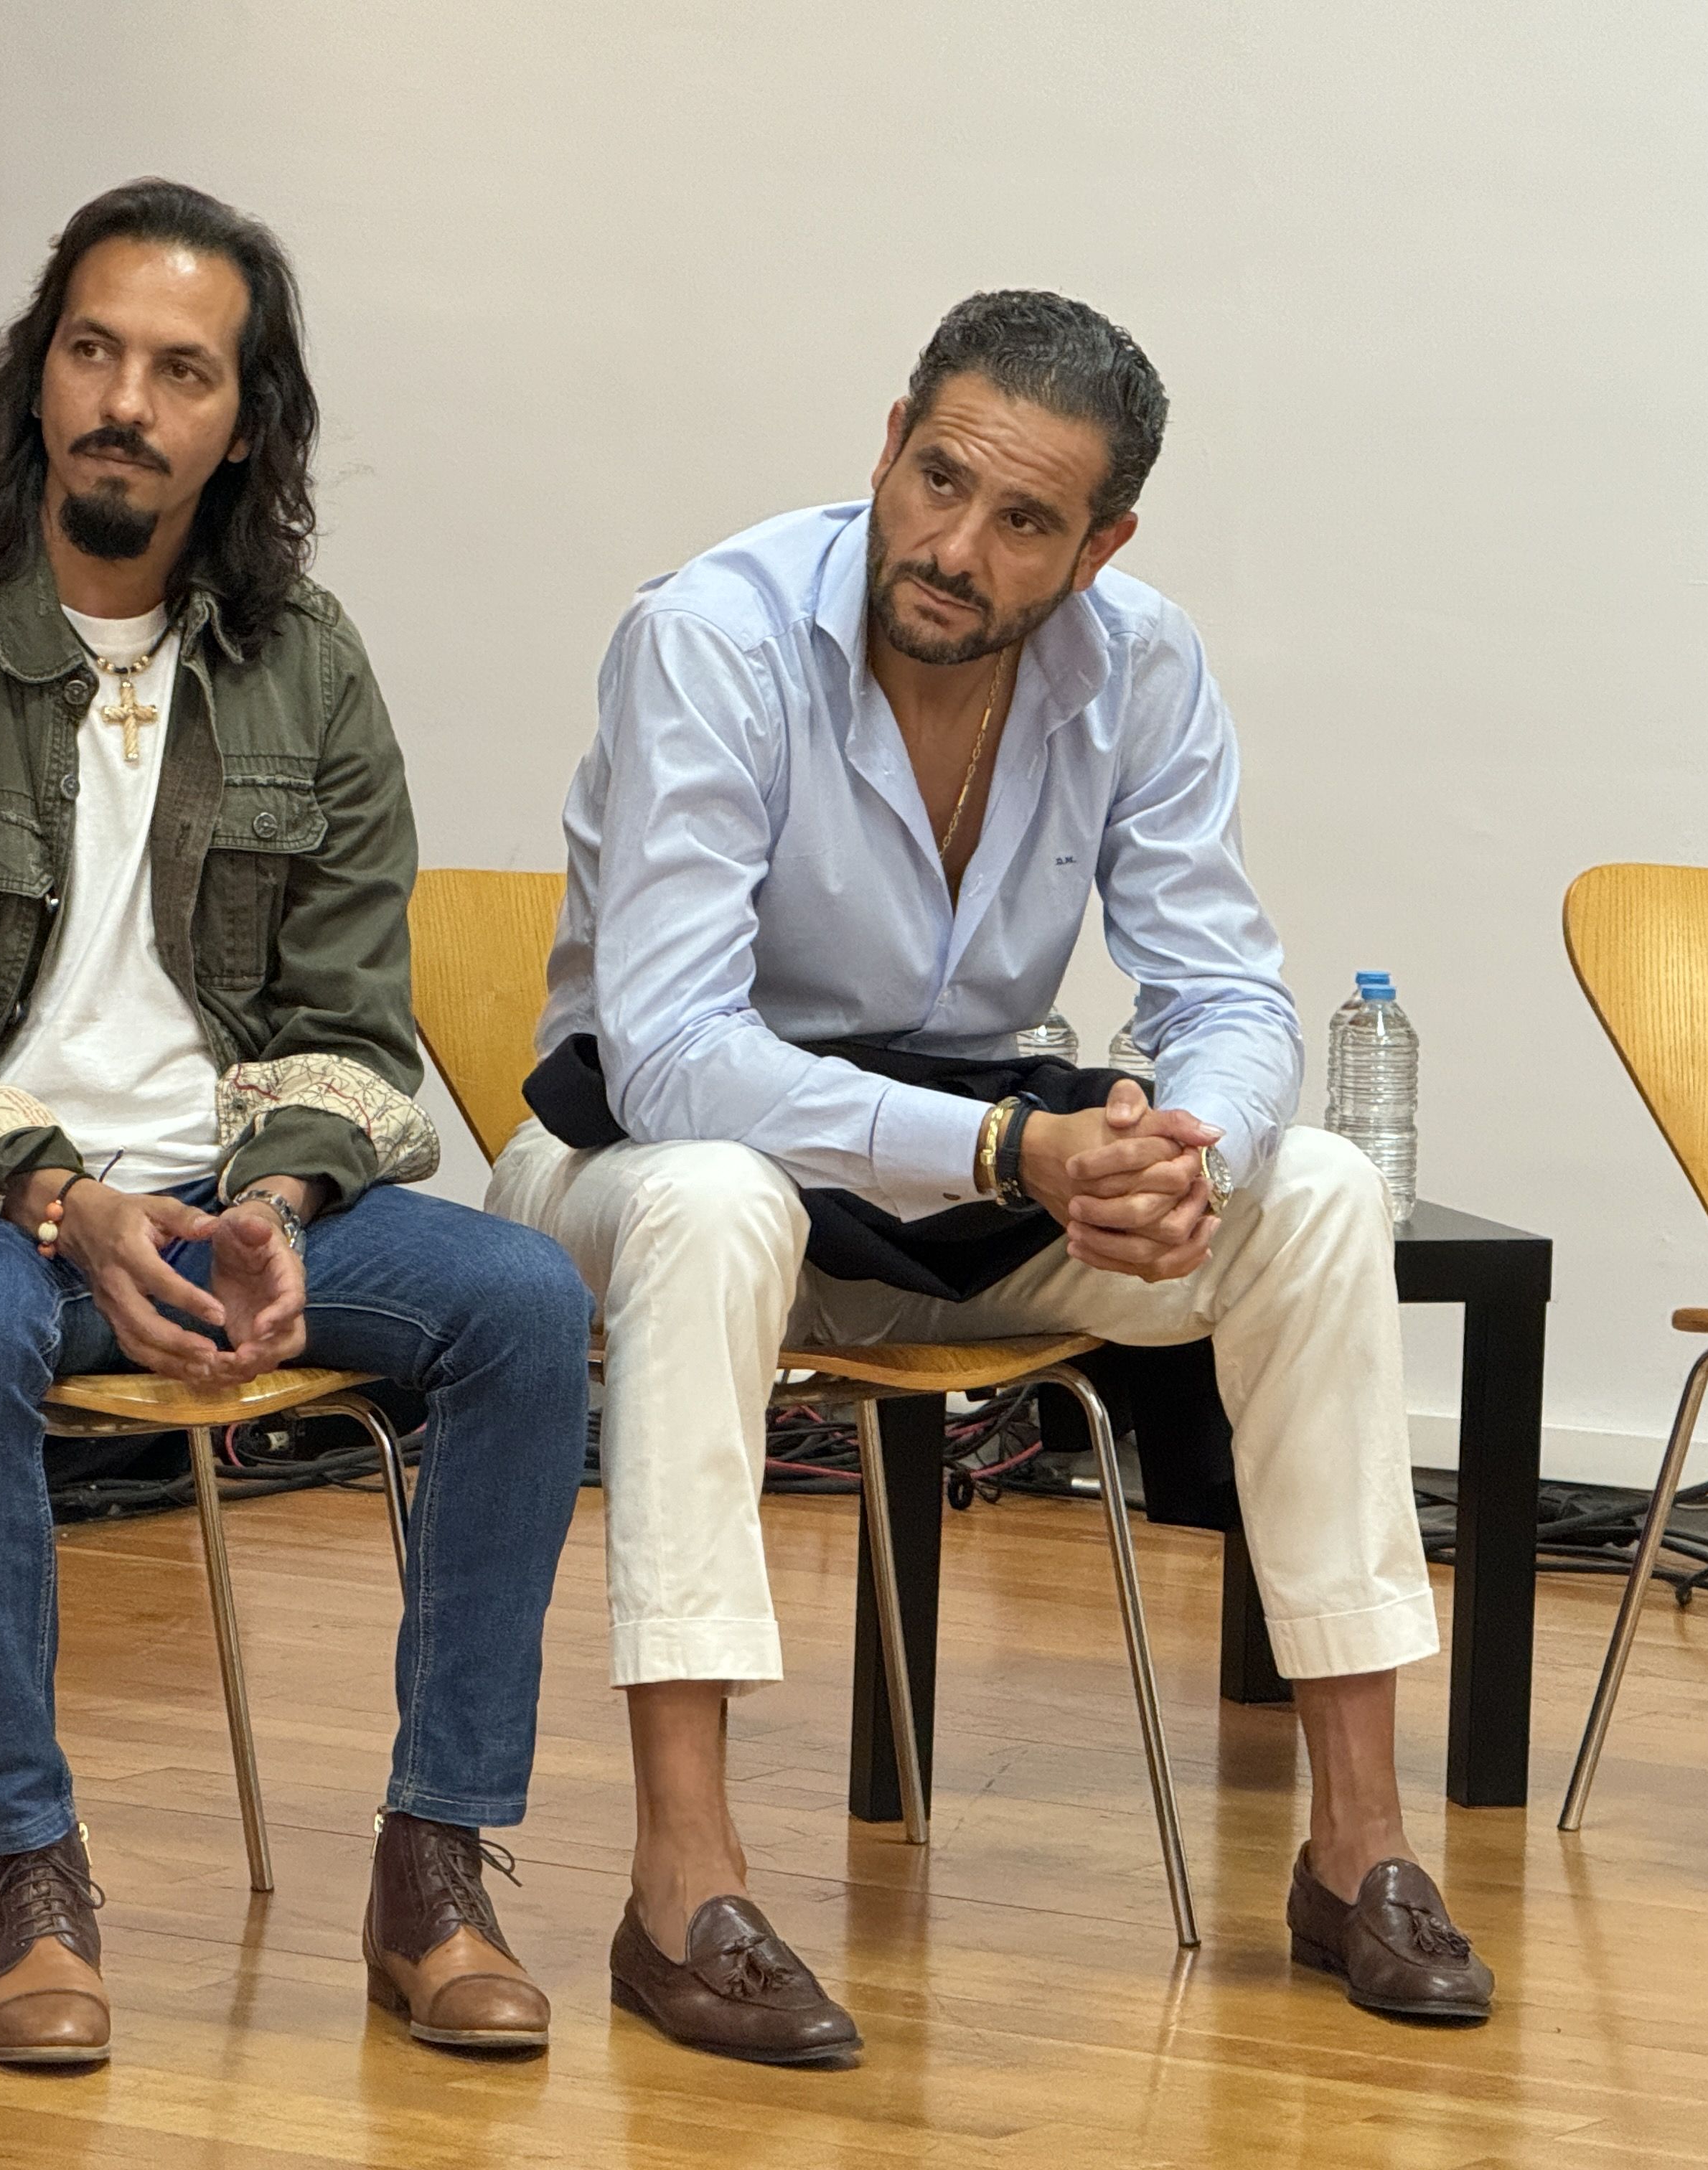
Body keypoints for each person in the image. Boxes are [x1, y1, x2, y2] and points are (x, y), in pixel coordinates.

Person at [490, 289, 1493, 2059]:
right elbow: (665, 1053)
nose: (954, 547)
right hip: (649, 1175)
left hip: (965, 1188)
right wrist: (1008, 1145)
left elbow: (1226, 987)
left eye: (1023, 519)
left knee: (1321, 1191)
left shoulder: (1144, 663)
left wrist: (1189, 1154)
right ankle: (684, 1890)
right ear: (887, 444)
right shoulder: (711, 636)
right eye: (937, 479)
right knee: (720, 1195)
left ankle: (1360, 1854)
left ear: (1099, 546)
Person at [0, 179, 591, 2069]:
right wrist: (61, 1203)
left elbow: (351, 1015)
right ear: (37, 383)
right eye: (93, 351)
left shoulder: (313, 664)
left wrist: (278, 1196)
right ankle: (32, 1876)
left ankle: (435, 1864)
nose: (127, 399)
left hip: (221, 1192)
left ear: (244, 420)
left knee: (523, 1304)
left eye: (180, 369)